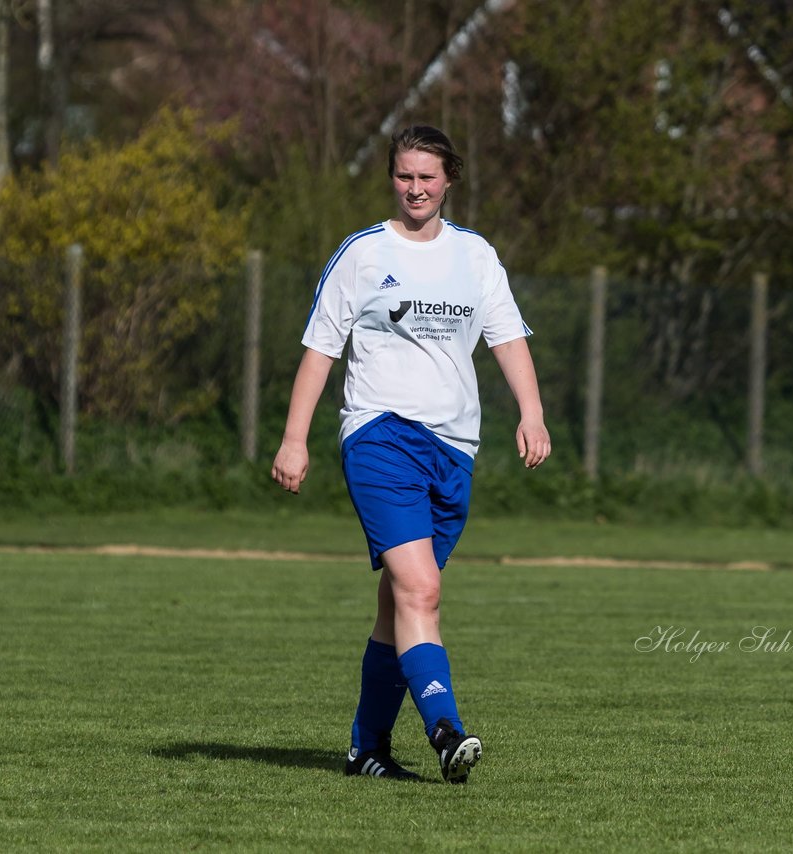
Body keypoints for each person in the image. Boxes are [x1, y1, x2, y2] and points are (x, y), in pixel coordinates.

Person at [271, 125, 550, 784]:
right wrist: (294, 436)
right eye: (404, 176)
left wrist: (532, 413)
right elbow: (321, 347)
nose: (415, 188)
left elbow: (506, 337)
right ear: (391, 178)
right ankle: (446, 728)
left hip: (453, 448)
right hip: (380, 435)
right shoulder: (363, 254)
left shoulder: (475, 256)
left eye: (427, 176)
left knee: (398, 606)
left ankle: (365, 747)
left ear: (449, 178)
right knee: (422, 589)